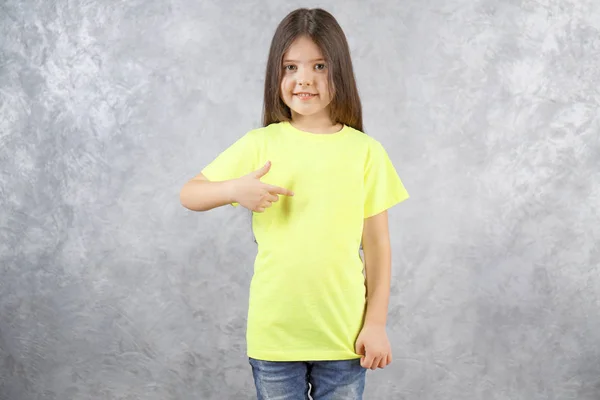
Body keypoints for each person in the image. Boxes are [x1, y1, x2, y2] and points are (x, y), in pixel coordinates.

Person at [179, 7, 409, 400]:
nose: (304, 79)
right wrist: (234, 190)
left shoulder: (365, 152)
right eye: (290, 67)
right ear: (277, 75)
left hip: (344, 337)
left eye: (319, 66)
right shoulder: (261, 143)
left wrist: (376, 323)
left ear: (340, 71)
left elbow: (377, 246)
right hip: (275, 336)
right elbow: (190, 193)